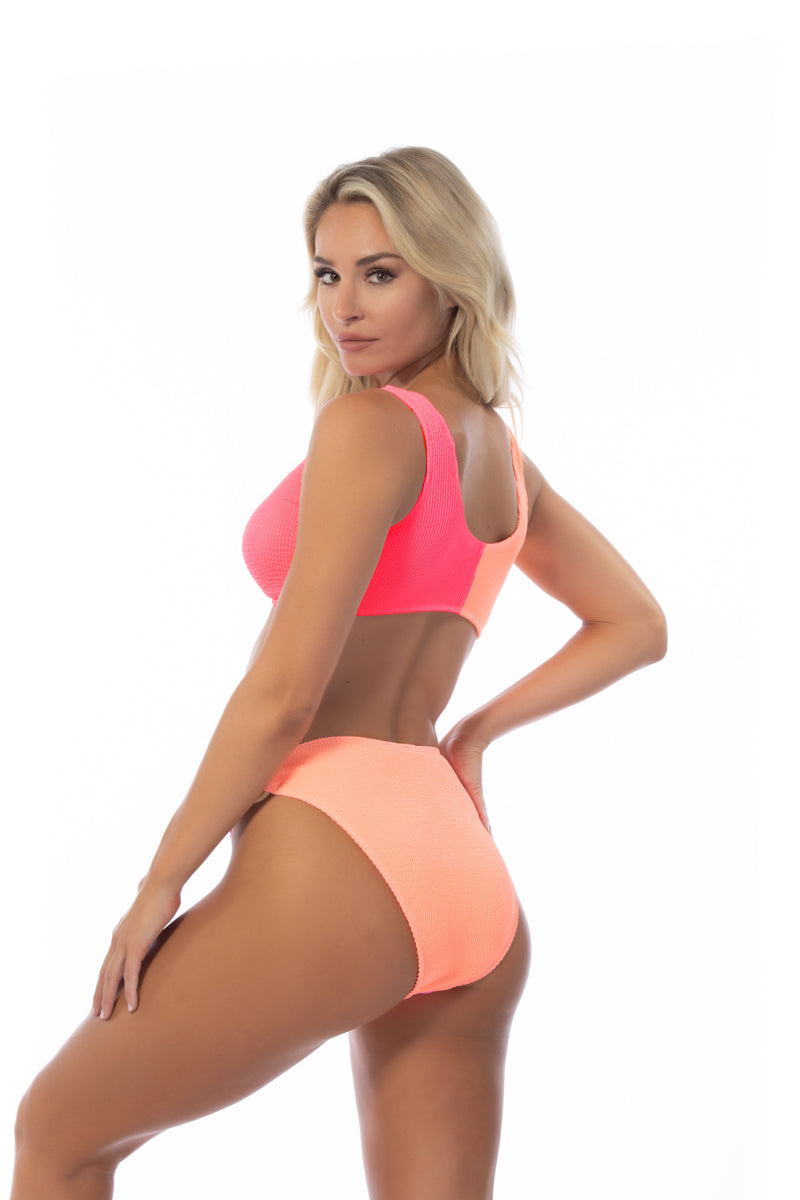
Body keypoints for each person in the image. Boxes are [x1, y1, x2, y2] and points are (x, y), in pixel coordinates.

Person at [11, 146, 667, 1199]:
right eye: (327, 273)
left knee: (57, 1134)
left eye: (380, 272)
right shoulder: (500, 455)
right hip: (461, 874)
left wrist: (159, 883)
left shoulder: (369, 428)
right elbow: (633, 624)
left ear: (449, 278)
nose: (343, 306)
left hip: (339, 845)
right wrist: (472, 733)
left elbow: (283, 698)